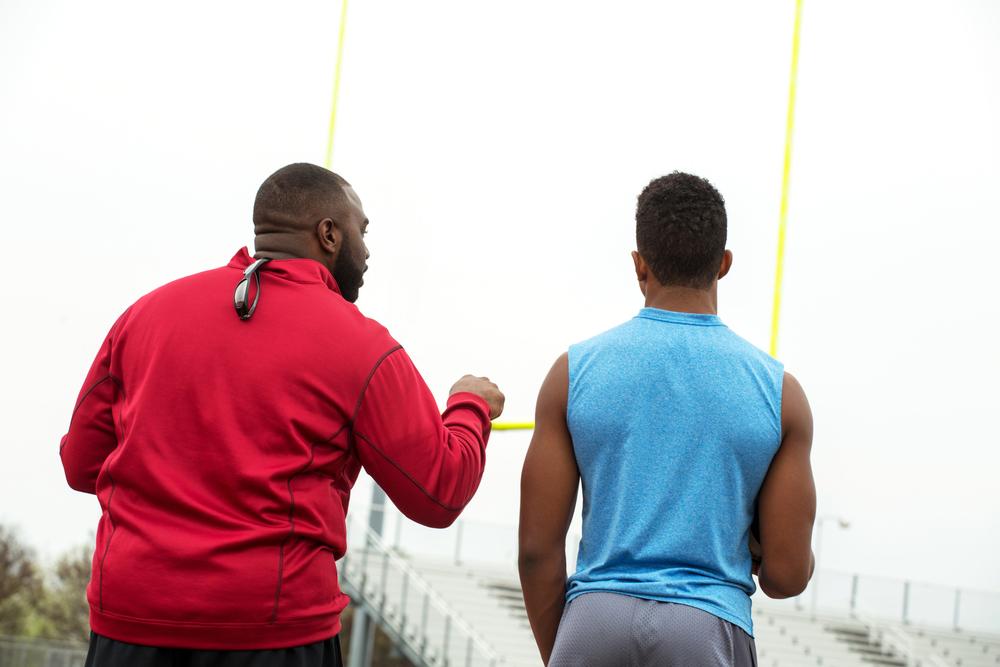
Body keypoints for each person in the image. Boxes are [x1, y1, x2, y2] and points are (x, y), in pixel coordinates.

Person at [60, 163, 504, 667]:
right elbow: (437, 493)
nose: (368, 248)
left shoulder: (144, 315)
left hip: (130, 628)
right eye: (363, 229)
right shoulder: (360, 344)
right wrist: (469, 407)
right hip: (273, 635)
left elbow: (81, 465)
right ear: (329, 233)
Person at [518, 172, 815, 666]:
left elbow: (535, 550)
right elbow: (786, 576)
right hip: (706, 627)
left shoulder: (572, 373)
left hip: (594, 619)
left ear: (639, 265)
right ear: (723, 264)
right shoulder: (779, 394)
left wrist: (569, 653)